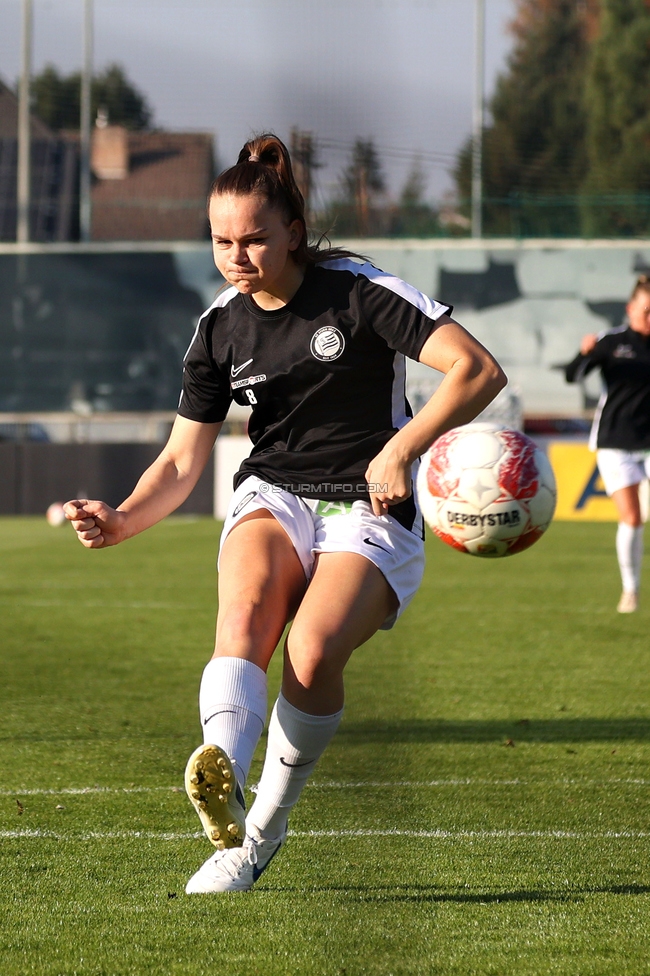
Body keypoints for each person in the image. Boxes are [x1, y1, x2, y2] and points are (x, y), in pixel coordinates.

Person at [64, 134, 506, 893]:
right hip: (274, 491)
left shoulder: (358, 290)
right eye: (221, 241)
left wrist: (403, 448)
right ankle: (224, 778)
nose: (236, 257)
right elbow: (179, 461)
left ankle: (261, 831)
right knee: (243, 614)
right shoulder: (219, 328)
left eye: (254, 239)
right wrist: (125, 517)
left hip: (370, 505)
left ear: (294, 232)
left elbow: (478, 369)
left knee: (310, 652)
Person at [565, 274, 650, 613]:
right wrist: (583, 352)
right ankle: (630, 591)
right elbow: (574, 375)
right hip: (615, 440)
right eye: (647, 310)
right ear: (631, 308)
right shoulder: (612, 341)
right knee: (631, 518)